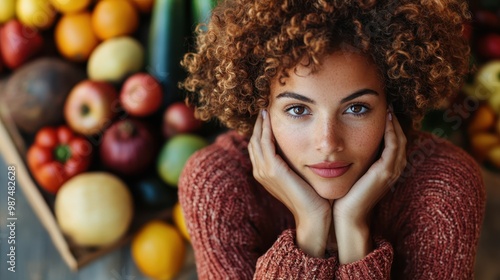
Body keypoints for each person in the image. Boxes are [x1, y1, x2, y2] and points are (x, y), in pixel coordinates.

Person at [178, 0, 486, 278]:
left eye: (356, 108)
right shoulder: (218, 184)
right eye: (298, 109)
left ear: (393, 104)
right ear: (263, 108)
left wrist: (353, 231)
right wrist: (310, 229)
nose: (327, 142)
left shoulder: (443, 186)